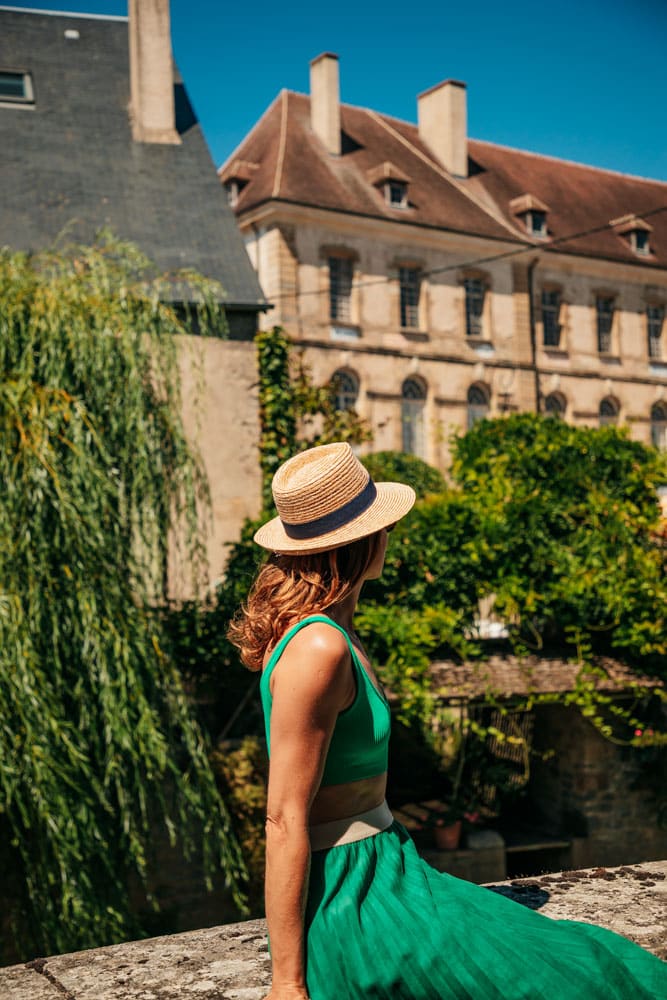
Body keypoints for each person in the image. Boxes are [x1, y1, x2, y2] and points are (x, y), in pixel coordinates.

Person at [228, 441, 667, 1000]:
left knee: (582, 954)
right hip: (353, 892)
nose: (390, 535)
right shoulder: (318, 646)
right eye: (381, 525)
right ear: (362, 540)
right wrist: (286, 983)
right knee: (571, 974)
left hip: (388, 866)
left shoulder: (331, 631)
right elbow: (285, 817)